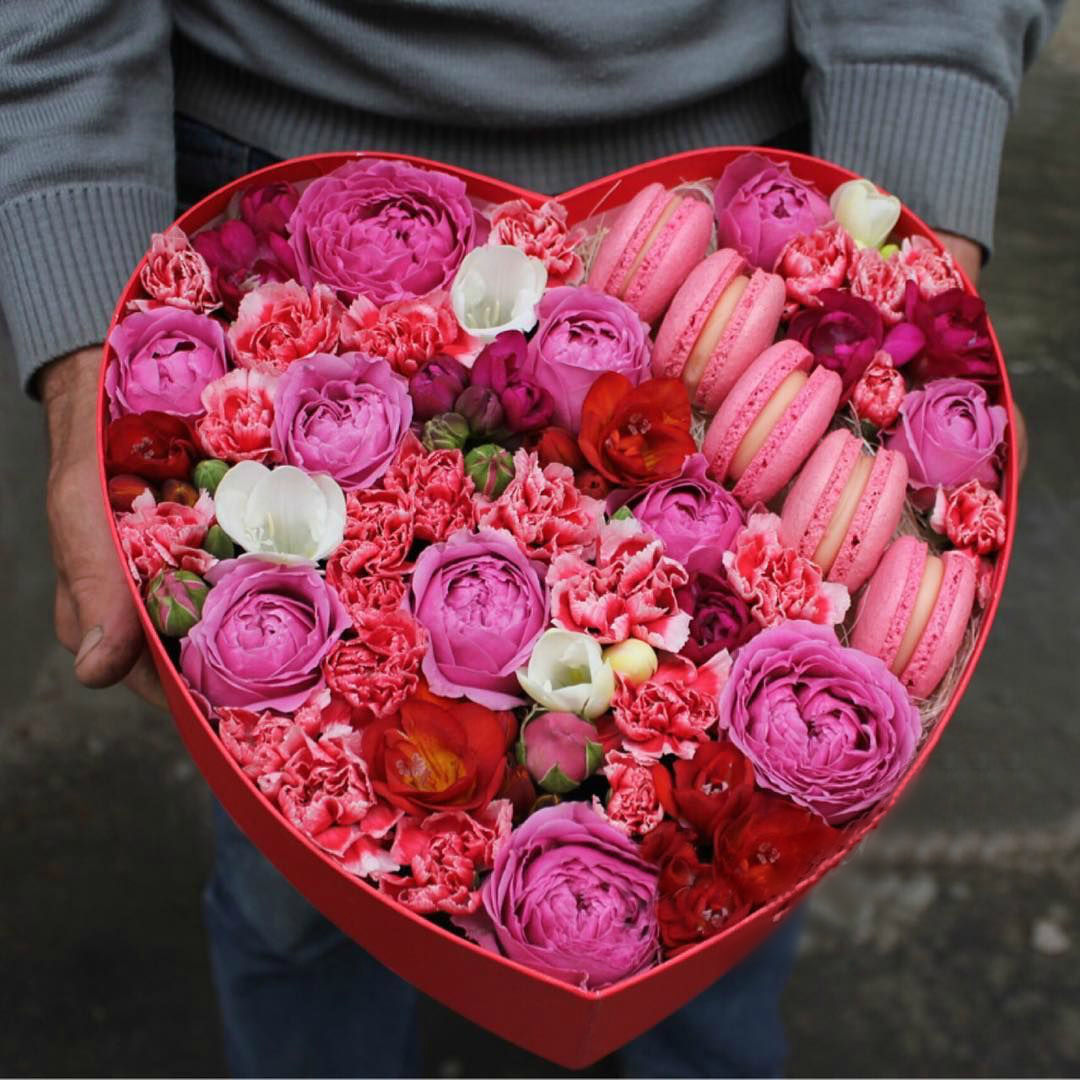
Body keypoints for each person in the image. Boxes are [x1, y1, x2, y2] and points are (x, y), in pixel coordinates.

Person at [0, 2, 1057, 1076]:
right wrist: (87, 349)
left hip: (739, 166)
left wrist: (905, 244)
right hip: (274, 151)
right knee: (294, 882)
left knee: (723, 882)